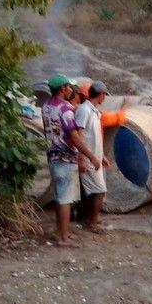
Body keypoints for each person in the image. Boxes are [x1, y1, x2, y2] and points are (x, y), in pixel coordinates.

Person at [41, 74, 103, 247]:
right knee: (65, 199)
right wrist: (91, 156)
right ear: (62, 89)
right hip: (65, 158)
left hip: (53, 156)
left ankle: (61, 233)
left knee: (60, 197)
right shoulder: (65, 110)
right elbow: (74, 137)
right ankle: (63, 237)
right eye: (68, 87)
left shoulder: (46, 106)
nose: (70, 90)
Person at [74, 80, 112, 232]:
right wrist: (81, 159)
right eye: (104, 95)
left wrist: (101, 156)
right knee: (99, 191)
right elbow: (78, 135)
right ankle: (91, 223)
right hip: (89, 159)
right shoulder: (84, 110)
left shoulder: (94, 111)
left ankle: (91, 220)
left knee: (96, 191)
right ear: (100, 95)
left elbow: (93, 136)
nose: (105, 98)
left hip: (94, 158)